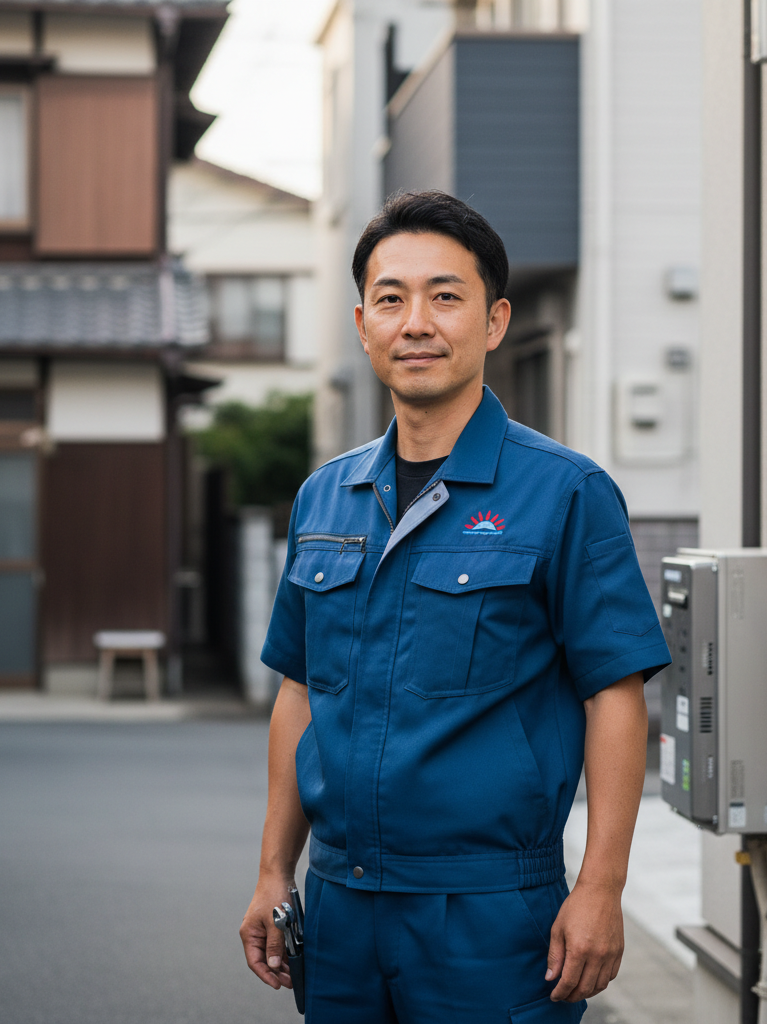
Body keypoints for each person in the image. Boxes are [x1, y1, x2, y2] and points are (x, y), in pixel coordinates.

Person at [239, 190, 671, 1023]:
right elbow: (300, 691)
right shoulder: (324, 497)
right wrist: (272, 872)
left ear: (495, 320)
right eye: (391, 299)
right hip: (340, 905)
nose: (416, 323)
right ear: (363, 324)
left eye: (445, 296)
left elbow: (613, 693)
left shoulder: (565, 492)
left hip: (491, 912)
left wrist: (601, 886)